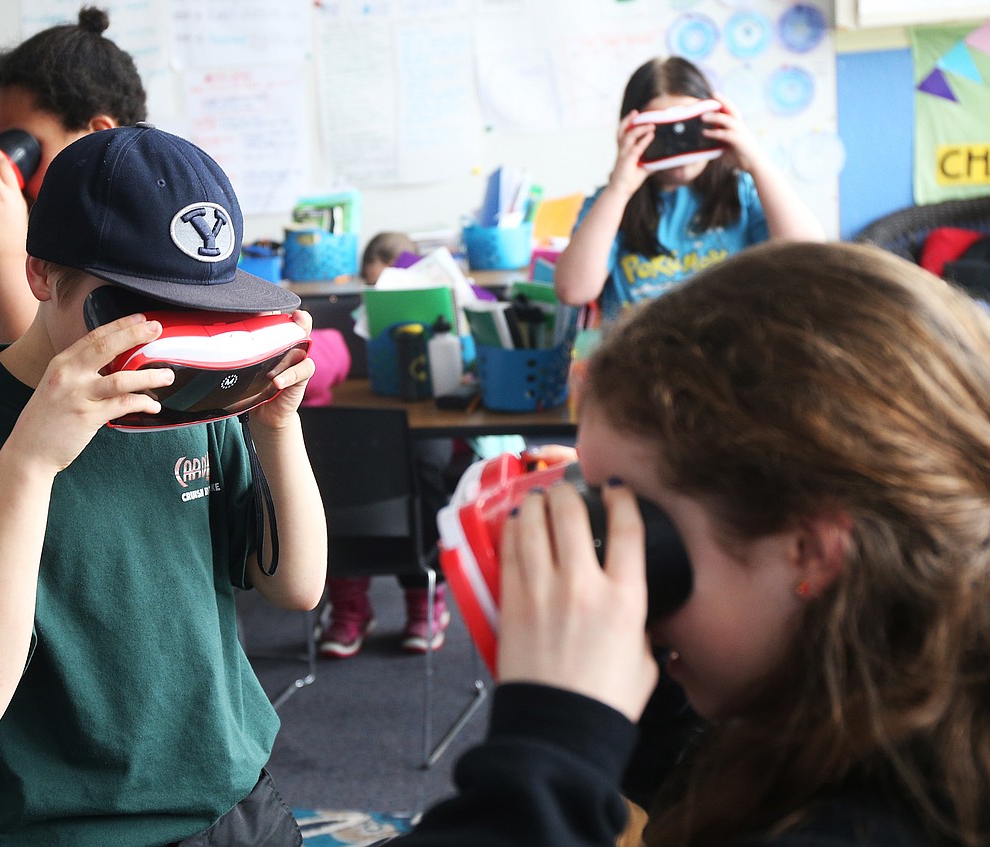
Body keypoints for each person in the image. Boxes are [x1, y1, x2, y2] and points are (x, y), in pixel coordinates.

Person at [385, 240, 990, 846]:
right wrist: (643, 708)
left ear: (810, 551)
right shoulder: (877, 706)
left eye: (640, 529)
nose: (610, 573)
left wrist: (550, 746)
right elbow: (712, 782)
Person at [0, 125, 327, 846]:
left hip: (231, 796)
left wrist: (277, 426)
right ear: (41, 275)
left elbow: (296, 586)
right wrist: (30, 460)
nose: (168, 332)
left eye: (195, 306)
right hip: (62, 825)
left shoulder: (189, 391)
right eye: (138, 304)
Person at [0, 6, 147, 360]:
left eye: (23, 146)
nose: (7, 163)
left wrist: (1, 253)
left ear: (99, 136)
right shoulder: (42, 217)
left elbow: (28, 378)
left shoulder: (134, 230)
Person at [554, 56, 823, 321]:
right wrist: (620, 189)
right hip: (644, 357)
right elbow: (573, 291)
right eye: (663, 132)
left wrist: (756, 163)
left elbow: (809, 258)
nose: (679, 145)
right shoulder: (611, 205)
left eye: (689, 127)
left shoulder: (741, 191)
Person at [318, 230, 455, 658]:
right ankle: (349, 602)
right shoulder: (344, 324)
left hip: (423, 419)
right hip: (361, 419)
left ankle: (423, 594)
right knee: (331, 474)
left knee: (426, 474)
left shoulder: (443, 315)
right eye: (374, 289)